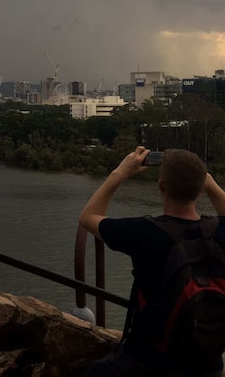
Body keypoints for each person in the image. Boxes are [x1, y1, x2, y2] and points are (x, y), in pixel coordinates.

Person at [79, 147, 225, 376]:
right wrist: (209, 183)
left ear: (161, 186)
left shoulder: (144, 232)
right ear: (201, 188)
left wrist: (120, 173)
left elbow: (88, 217)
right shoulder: (219, 231)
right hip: (208, 365)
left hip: (148, 362)